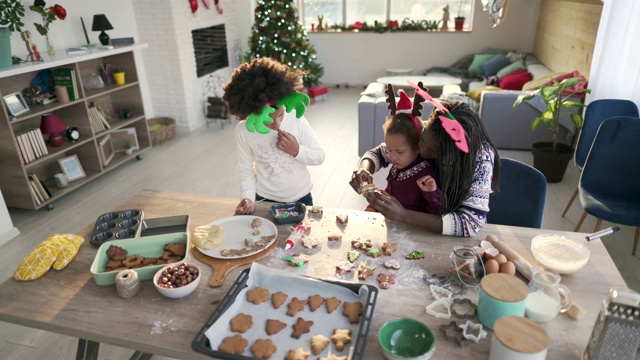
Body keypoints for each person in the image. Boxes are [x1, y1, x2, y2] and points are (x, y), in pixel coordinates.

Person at [351, 98, 500, 237]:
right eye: (422, 137)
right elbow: (384, 152)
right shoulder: (435, 128)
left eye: (429, 149)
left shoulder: (480, 160)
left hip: (449, 237)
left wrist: (404, 215)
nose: (419, 147)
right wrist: (364, 168)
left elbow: (469, 223)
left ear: (447, 155)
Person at [222, 58, 326, 215]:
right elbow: (246, 171)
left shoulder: (295, 117)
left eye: (281, 114)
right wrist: (248, 198)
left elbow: (319, 156)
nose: (277, 124)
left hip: (301, 198)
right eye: (268, 120)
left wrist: (297, 150)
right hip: (265, 200)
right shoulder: (244, 131)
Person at [358, 86, 442, 214]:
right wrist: (376, 202)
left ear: (418, 147)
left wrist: (431, 193)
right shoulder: (401, 162)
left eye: (399, 152)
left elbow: (437, 212)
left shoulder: (427, 174)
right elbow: (391, 195)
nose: (392, 157)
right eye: (389, 150)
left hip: (411, 229)